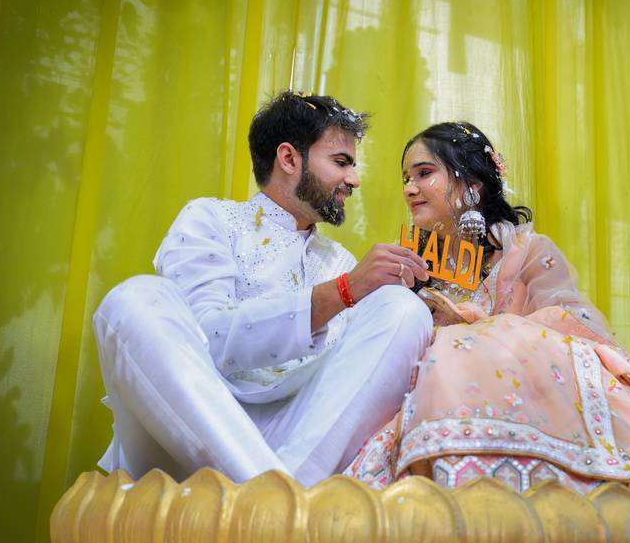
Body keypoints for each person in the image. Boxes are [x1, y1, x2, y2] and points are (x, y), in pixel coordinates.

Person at [345, 122, 630, 496]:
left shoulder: (526, 252)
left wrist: (476, 327)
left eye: (423, 173)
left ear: (471, 183)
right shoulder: (410, 266)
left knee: (464, 345)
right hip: (421, 403)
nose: (409, 188)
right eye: (406, 179)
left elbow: (573, 324)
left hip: (524, 394)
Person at [94, 92, 433, 486]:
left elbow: (345, 387)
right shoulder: (211, 219)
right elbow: (211, 342)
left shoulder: (340, 260)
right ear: (289, 159)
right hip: (190, 428)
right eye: (341, 162)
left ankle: (276, 497)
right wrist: (343, 291)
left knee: (401, 309)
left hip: (300, 444)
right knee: (133, 299)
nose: (353, 180)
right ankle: (272, 499)